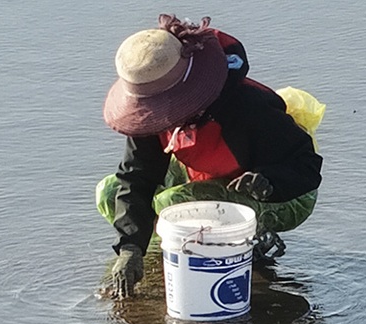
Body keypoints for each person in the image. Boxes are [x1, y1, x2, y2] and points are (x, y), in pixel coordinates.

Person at [96, 15, 323, 300]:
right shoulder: (150, 119)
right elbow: (136, 178)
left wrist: (267, 182)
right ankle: (175, 250)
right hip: (206, 174)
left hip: (284, 190)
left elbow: (307, 166)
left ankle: (242, 240)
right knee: (111, 192)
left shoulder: (247, 107)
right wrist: (129, 249)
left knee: (174, 202)